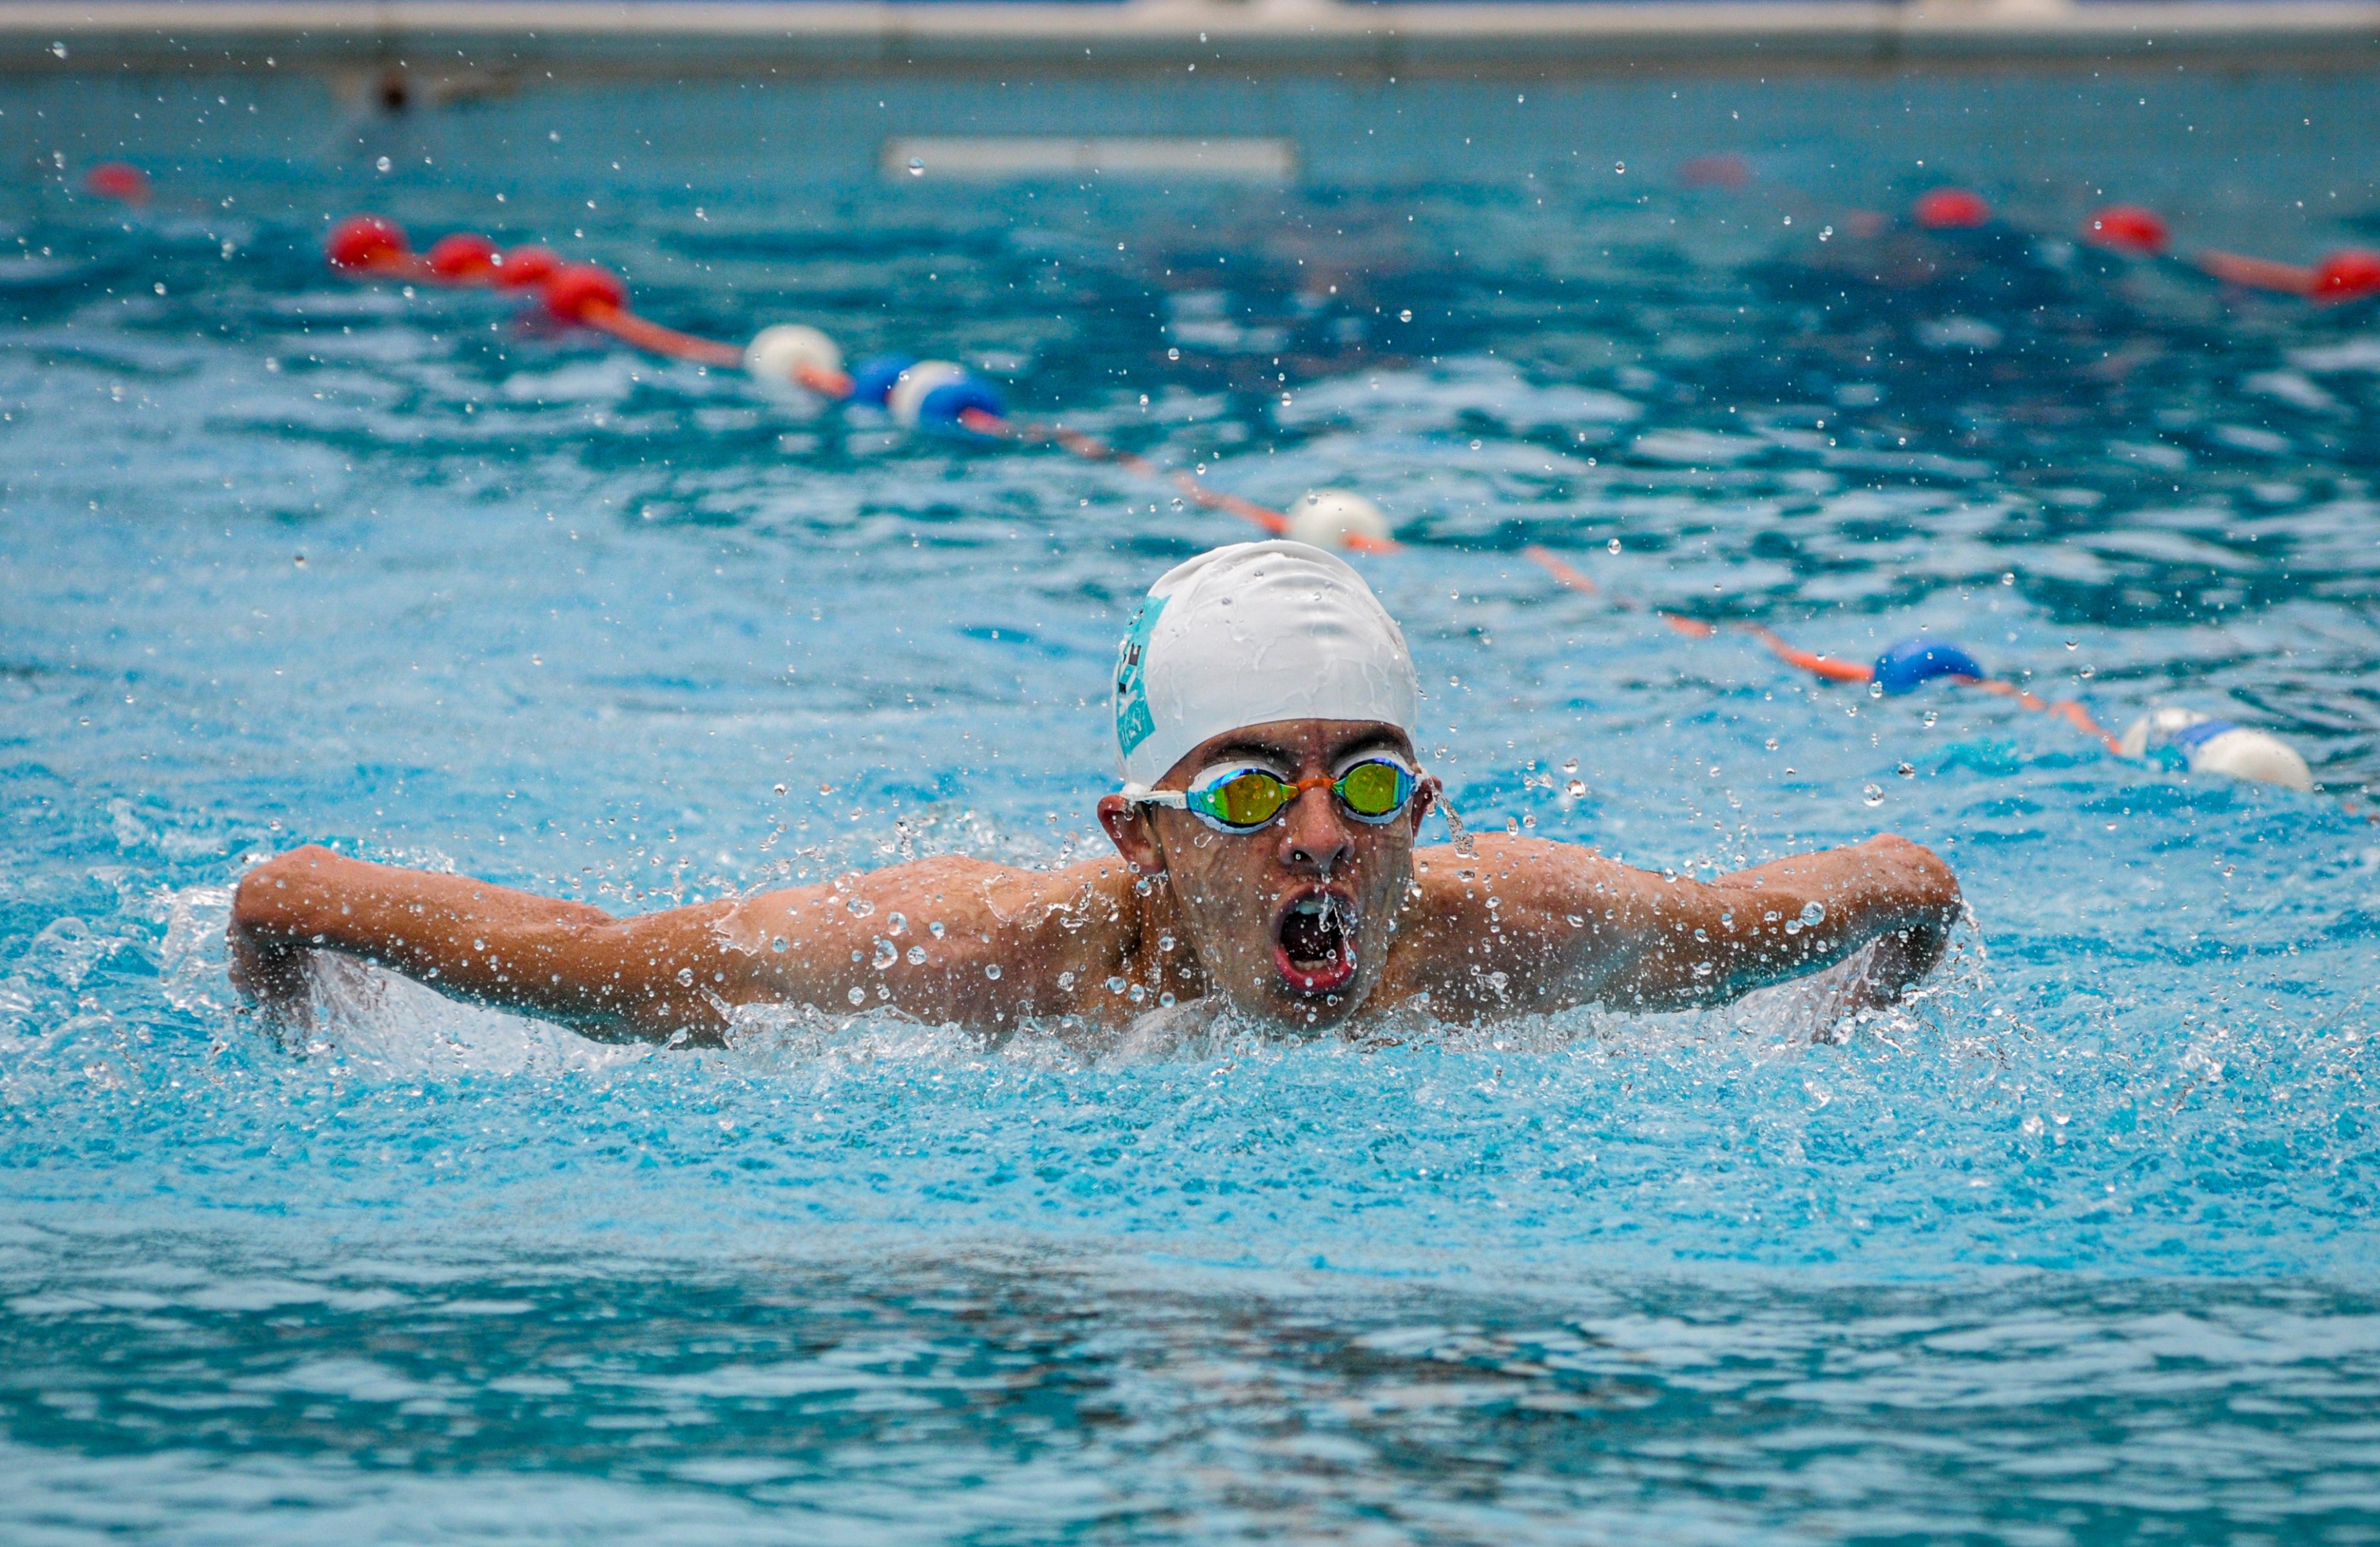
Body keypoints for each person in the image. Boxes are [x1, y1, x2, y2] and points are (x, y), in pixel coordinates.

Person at [230, 541, 1963, 1044]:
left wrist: (1847, 1034)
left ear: (1423, 810)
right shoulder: (978, 960)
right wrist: (291, 908)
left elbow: (1903, 881)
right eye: (1241, 791)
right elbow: (594, 958)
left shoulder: (1528, 937)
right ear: (1131, 835)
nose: (1314, 838)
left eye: (1363, 782)